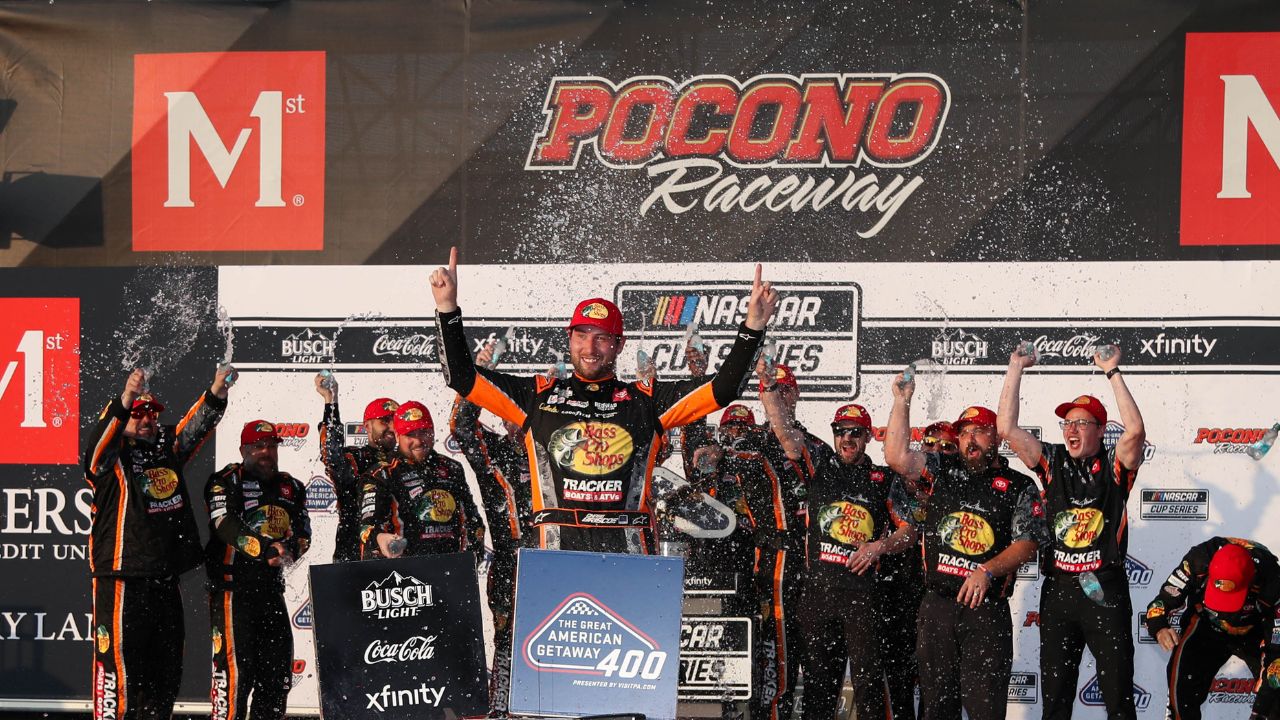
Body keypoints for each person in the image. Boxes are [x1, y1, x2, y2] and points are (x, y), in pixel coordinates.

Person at [429, 246, 777, 555]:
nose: (590, 348)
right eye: (581, 336)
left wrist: (753, 327)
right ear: (569, 338)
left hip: (630, 555)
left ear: (620, 344)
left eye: (602, 338)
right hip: (554, 554)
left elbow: (725, 388)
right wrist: (447, 309)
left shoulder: (646, 400)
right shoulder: (538, 395)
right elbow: (462, 377)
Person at [999, 345, 1146, 720]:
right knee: (1056, 700)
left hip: (1104, 591)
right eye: (1067, 423)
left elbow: (1136, 431)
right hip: (1061, 592)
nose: (1072, 430)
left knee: (1118, 697)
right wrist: (1016, 368)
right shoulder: (1053, 462)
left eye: (1082, 423)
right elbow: (1007, 429)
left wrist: (1113, 372)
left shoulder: (1114, 465)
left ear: (1100, 430)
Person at [885, 380, 1047, 720]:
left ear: (997, 439)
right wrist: (901, 401)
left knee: (985, 710)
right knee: (937, 709)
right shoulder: (942, 471)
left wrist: (986, 570)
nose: (970, 439)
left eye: (979, 431)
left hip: (985, 613)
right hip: (937, 609)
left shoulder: (1018, 486)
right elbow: (896, 457)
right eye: (964, 432)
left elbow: (1028, 542)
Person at [84, 366, 231, 720]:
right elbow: (96, 447)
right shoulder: (111, 457)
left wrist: (215, 391)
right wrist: (126, 399)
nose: (148, 420)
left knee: (164, 678)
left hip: (164, 580)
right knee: (117, 675)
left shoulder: (166, 448)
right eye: (139, 414)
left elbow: (194, 429)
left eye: (152, 413)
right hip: (122, 578)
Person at [769, 400, 916, 720]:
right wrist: (768, 388)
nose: (847, 439)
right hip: (817, 594)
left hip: (863, 597)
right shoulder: (818, 465)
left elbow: (909, 533)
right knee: (818, 689)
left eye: (855, 433)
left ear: (867, 437)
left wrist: (880, 546)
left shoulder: (883, 477)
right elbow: (785, 434)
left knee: (870, 687)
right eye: (840, 432)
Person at [206, 420, 311, 720]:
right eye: (258, 446)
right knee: (235, 681)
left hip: (271, 593)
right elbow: (223, 523)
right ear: (243, 450)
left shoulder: (291, 487)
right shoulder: (225, 481)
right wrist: (264, 549)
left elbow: (303, 531)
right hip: (232, 595)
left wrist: (290, 550)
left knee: (277, 680)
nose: (266, 452)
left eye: (271, 445)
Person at [449, 340, 532, 717]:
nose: (518, 421)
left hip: (559, 562)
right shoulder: (493, 452)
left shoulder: (563, 450)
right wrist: (478, 374)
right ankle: (500, 711)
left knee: (561, 643)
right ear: (502, 417)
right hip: (510, 564)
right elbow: (461, 425)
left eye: (526, 413)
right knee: (507, 642)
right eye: (511, 414)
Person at [752, 362, 825, 720]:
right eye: (772, 392)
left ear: (796, 394)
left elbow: (791, 444)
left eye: (785, 391)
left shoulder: (817, 447)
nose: (779, 398)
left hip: (813, 562)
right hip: (768, 561)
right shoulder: (747, 444)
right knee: (773, 655)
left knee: (817, 657)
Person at [1147, 538, 1280, 720]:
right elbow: (1162, 601)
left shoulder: (1272, 578)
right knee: (1180, 693)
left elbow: (1276, 649)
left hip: (1254, 631)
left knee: (1275, 690)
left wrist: (1261, 711)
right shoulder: (1199, 559)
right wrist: (1159, 626)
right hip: (1206, 626)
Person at [874, 420, 954, 720]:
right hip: (897, 590)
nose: (937, 451)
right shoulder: (895, 479)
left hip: (940, 594)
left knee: (938, 680)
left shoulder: (961, 486)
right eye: (930, 443)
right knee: (897, 675)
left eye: (946, 446)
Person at [360, 401, 485, 562]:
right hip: (405, 572)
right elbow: (367, 527)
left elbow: (472, 519)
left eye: (424, 432)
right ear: (398, 436)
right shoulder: (382, 473)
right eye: (410, 434)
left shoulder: (452, 468)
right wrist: (381, 538)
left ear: (432, 431)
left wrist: (471, 558)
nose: (418, 441)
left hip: (450, 571)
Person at [315, 373, 399, 562]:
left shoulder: (405, 462)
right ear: (367, 426)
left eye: (396, 421)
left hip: (396, 555)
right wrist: (331, 401)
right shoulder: (356, 458)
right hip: (353, 557)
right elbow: (331, 454)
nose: (392, 427)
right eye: (385, 421)